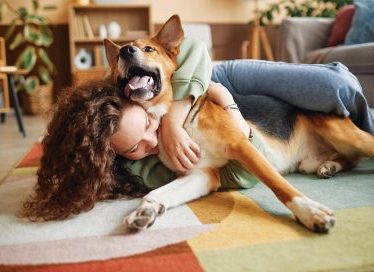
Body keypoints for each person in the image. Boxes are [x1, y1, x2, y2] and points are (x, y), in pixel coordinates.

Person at [22, 38, 374, 221]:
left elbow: (191, 49)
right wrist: (155, 200)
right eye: (134, 148)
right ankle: (341, 159)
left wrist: (174, 120)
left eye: (147, 125)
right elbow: (208, 176)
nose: (150, 138)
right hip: (286, 145)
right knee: (337, 128)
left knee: (338, 88)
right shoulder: (114, 127)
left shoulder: (123, 85)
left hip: (212, 75)